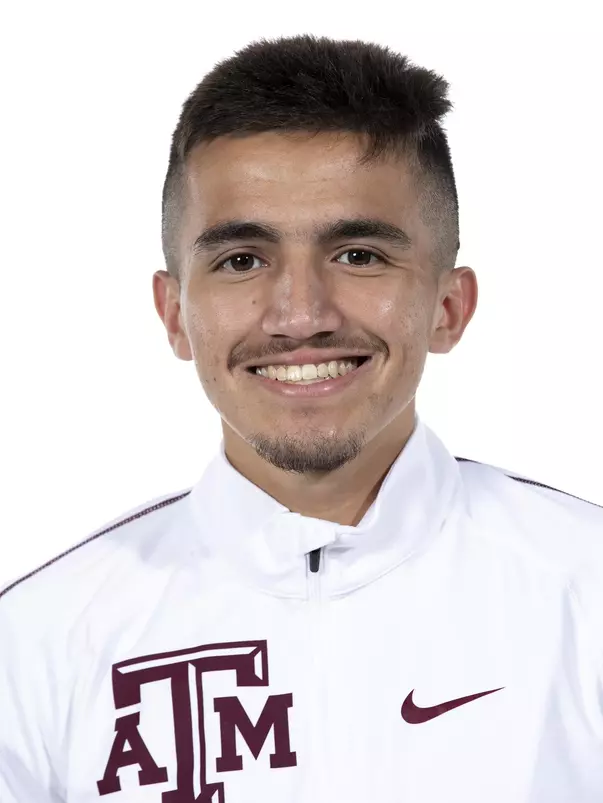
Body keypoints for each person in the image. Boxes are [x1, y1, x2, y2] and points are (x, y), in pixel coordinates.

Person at [1, 33, 602, 803]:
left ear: (448, 306)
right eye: (241, 260)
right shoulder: (35, 644)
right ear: (174, 313)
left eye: (357, 254)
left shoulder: (581, 595)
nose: (300, 315)